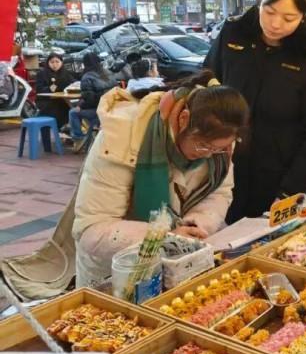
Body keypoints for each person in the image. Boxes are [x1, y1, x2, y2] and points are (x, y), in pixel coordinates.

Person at [72, 71, 249, 287]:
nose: (209, 154)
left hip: (177, 264)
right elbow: (92, 231)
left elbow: (219, 192)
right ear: (183, 119)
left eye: (218, 149)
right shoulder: (121, 136)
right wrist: (165, 238)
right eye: (203, 146)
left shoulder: (221, 140)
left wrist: (198, 223)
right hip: (116, 269)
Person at [205, 0, 306, 223]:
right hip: (222, 173)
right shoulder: (233, 34)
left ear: (303, 16)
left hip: (278, 181)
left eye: (289, 18)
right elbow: (207, 85)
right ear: (260, 0)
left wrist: (290, 190)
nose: (276, 24)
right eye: (269, 11)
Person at [69, 53, 116, 152]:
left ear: (85, 64)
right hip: (113, 108)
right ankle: (92, 135)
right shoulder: (108, 73)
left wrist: (80, 106)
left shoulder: (87, 77)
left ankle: (79, 139)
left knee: (73, 112)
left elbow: (90, 100)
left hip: (99, 111)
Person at [34, 52, 75, 128]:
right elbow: (39, 89)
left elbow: (73, 84)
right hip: (45, 100)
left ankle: (63, 130)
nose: (55, 64)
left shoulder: (66, 73)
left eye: (57, 62)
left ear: (61, 62)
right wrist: (52, 88)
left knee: (71, 108)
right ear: (48, 63)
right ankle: (56, 129)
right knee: (56, 108)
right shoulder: (42, 73)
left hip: (62, 99)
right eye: (52, 62)